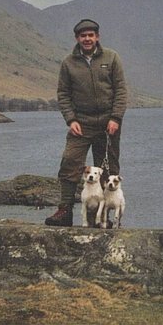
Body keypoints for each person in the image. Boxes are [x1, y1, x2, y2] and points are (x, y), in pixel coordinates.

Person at [45, 19, 128, 227]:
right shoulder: (68, 63)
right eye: (83, 36)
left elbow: (121, 91)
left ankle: (104, 218)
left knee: (108, 169)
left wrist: (116, 117)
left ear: (97, 37)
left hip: (108, 125)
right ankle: (64, 211)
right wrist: (70, 119)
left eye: (91, 35)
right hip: (80, 123)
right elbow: (63, 94)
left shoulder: (112, 58)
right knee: (69, 161)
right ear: (77, 39)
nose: (87, 39)